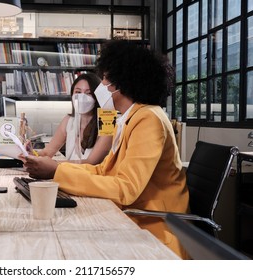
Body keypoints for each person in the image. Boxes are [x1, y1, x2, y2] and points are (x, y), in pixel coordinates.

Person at [21, 40, 190, 259]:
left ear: (123, 82)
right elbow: (103, 170)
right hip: (131, 219)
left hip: (155, 230)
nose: (102, 85)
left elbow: (126, 189)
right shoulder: (130, 118)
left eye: (106, 79)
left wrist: (56, 172)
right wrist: (55, 170)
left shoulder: (149, 119)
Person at [35, 72, 112, 164]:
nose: (82, 97)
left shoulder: (108, 122)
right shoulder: (69, 120)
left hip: (93, 177)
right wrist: (31, 155)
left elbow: (92, 162)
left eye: (89, 93)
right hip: (71, 176)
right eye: (78, 92)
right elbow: (47, 152)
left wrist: (55, 165)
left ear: (97, 96)